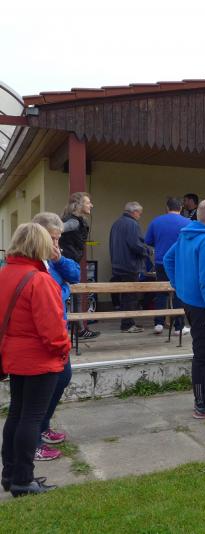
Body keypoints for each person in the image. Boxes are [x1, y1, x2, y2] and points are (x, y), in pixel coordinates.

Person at [1, 223, 71, 497]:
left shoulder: (6, 273)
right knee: (31, 418)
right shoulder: (40, 280)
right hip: (40, 359)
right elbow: (53, 330)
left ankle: (10, 474)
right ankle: (23, 479)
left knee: (16, 414)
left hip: (14, 356)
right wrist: (64, 350)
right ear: (39, 245)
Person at [163, 199, 205, 419]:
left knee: (202, 351)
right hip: (203, 306)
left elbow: (167, 259)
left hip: (189, 301)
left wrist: (178, 284)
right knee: (203, 355)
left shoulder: (187, 234)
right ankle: (201, 404)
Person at [31, 213, 80, 462]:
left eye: (58, 238)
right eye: (52, 238)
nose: (56, 244)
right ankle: (34, 441)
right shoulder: (32, 263)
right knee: (36, 393)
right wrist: (63, 289)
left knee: (63, 377)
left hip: (58, 330)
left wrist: (59, 259)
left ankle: (43, 426)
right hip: (41, 336)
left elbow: (75, 274)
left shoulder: (52, 260)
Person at [144, 197, 191, 335]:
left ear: (167, 207)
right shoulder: (188, 223)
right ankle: (179, 327)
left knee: (161, 293)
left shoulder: (156, 221)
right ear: (181, 208)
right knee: (178, 293)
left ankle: (158, 323)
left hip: (161, 262)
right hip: (180, 262)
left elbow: (148, 241)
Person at [59, 191, 99, 340]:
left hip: (69, 262)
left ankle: (79, 330)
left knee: (74, 296)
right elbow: (57, 229)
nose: (91, 205)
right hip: (66, 264)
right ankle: (71, 331)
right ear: (79, 205)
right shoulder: (74, 222)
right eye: (88, 202)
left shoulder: (78, 221)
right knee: (70, 296)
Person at [109, 202, 151, 333]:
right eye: (139, 213)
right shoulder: (132, 224)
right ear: (134, 212)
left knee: (125, 296)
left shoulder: (116, 223)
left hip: (118, 264)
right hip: (130, 265)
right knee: (130, 296)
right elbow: (136, 245)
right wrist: (148, 251)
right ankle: (127, 324)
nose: (139, 216)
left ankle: (127, 322)